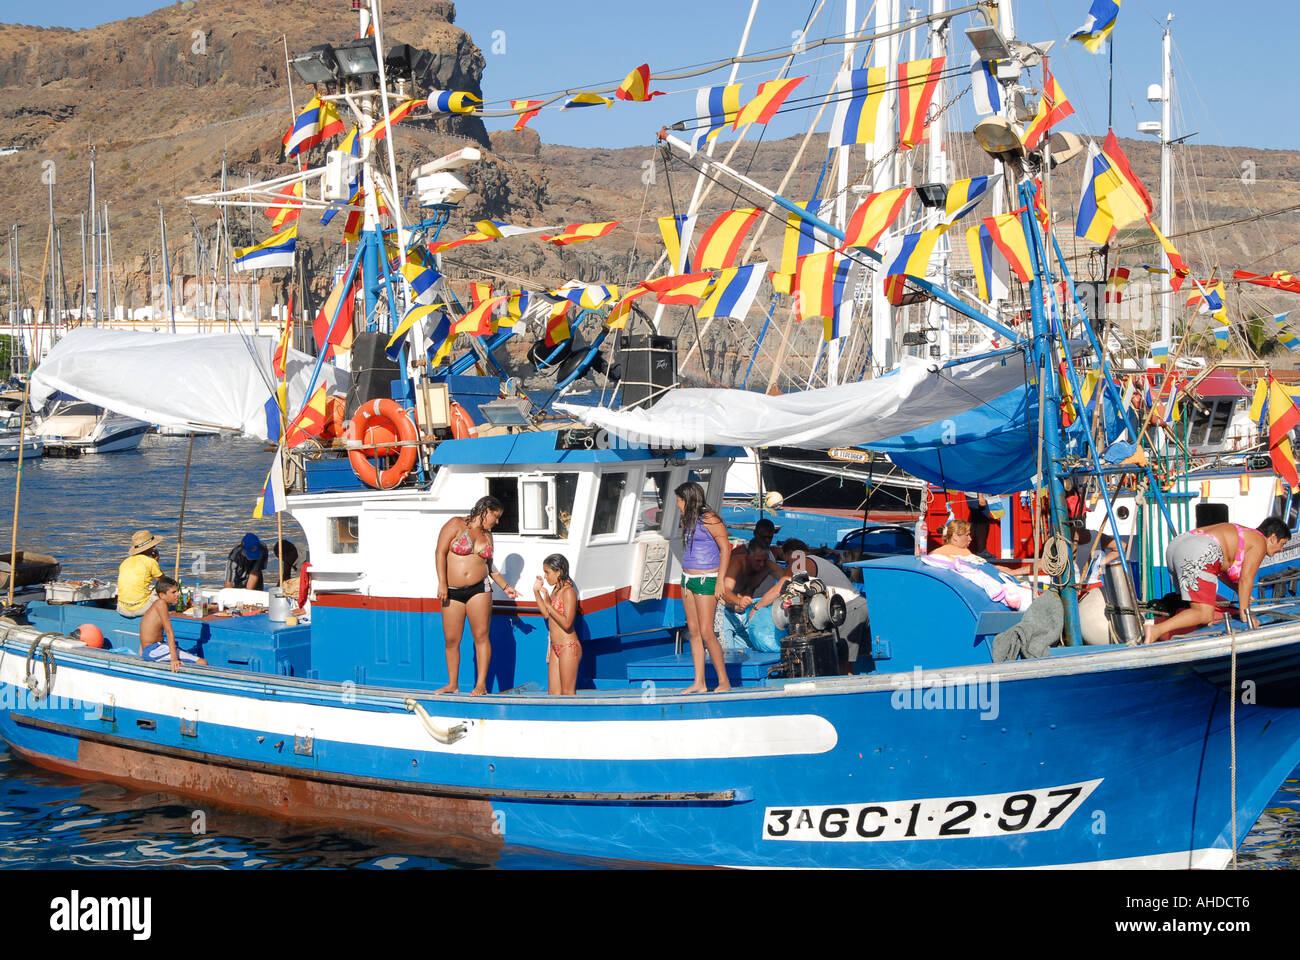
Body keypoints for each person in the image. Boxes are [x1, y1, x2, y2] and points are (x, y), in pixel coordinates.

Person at [1144, 517, 1291, 644]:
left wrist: (1238, 591)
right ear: (1272, 538)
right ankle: (1156, 630)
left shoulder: (1245, 534)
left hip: (1178, 547)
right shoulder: (1259, 541)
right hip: (1200, 551)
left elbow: (1222, 572)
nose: (1282, 549)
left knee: (1197, 610)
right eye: (1282, 544)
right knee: (1204, 613)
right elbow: (1247, 579)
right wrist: (1246, 615)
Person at [435, 495, 520, 696]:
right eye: (496, 516)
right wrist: (442, 583)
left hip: (480, 590)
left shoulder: (488, 536)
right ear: (486, 511)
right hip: (452, 591)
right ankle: (452, 684)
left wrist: (506, 586)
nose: (497, 521)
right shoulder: (455, 524)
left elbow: (490, 567)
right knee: (451, 639)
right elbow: (439, 552)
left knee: (481, 636)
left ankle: (481, 685)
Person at [674, 481, 732, 694]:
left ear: (688, 500)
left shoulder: (710, 519)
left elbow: (726, 549)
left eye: (680, 500)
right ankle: (700, 682)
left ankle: (724, 681)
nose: (677, 505)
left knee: (707, 631)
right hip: (687, 579)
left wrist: (720, 581)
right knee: (694, 631)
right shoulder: (688, 519)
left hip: (706, 578)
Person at [716, 538, 786, 652]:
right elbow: (724, 591)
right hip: (726, 613)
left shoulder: (767, 565)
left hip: (747, 614)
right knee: (726, 655)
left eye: (764, 560)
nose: (761, 564)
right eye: (758, 560)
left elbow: (787, 579)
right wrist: (738, 601)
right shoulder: (737, 563)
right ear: (748, 556)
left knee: (750, 653)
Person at [534, 554, 580, 696]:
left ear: (558, 572)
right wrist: (536, 592)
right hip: (555, 648)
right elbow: (547, 614)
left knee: (567, 692)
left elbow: (567, 623)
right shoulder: (555, 590)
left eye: (547, 572)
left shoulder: (568, 592)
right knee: (553, 693)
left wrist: (549, 604)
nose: (545, 576)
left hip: (568, 647)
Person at [140, 575, 207, 672]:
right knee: (202, 663)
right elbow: (169, 631)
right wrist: (174, 659)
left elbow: (146, 626)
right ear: (162, 595)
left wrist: (142, 649)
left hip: (154, 648)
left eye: (178, 591)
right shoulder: (161, 604)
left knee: (188, 654)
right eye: (173, 592)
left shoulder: (158, 605)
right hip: (153, 650)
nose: (178, 594)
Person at [116, 529, 164, 618]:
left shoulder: (125, 562)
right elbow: (163, 582)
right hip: (141, 609)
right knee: (165, 590)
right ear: (150, 547)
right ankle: (164, 617)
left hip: (121, 608)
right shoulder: (150, 562)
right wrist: (156, 562)